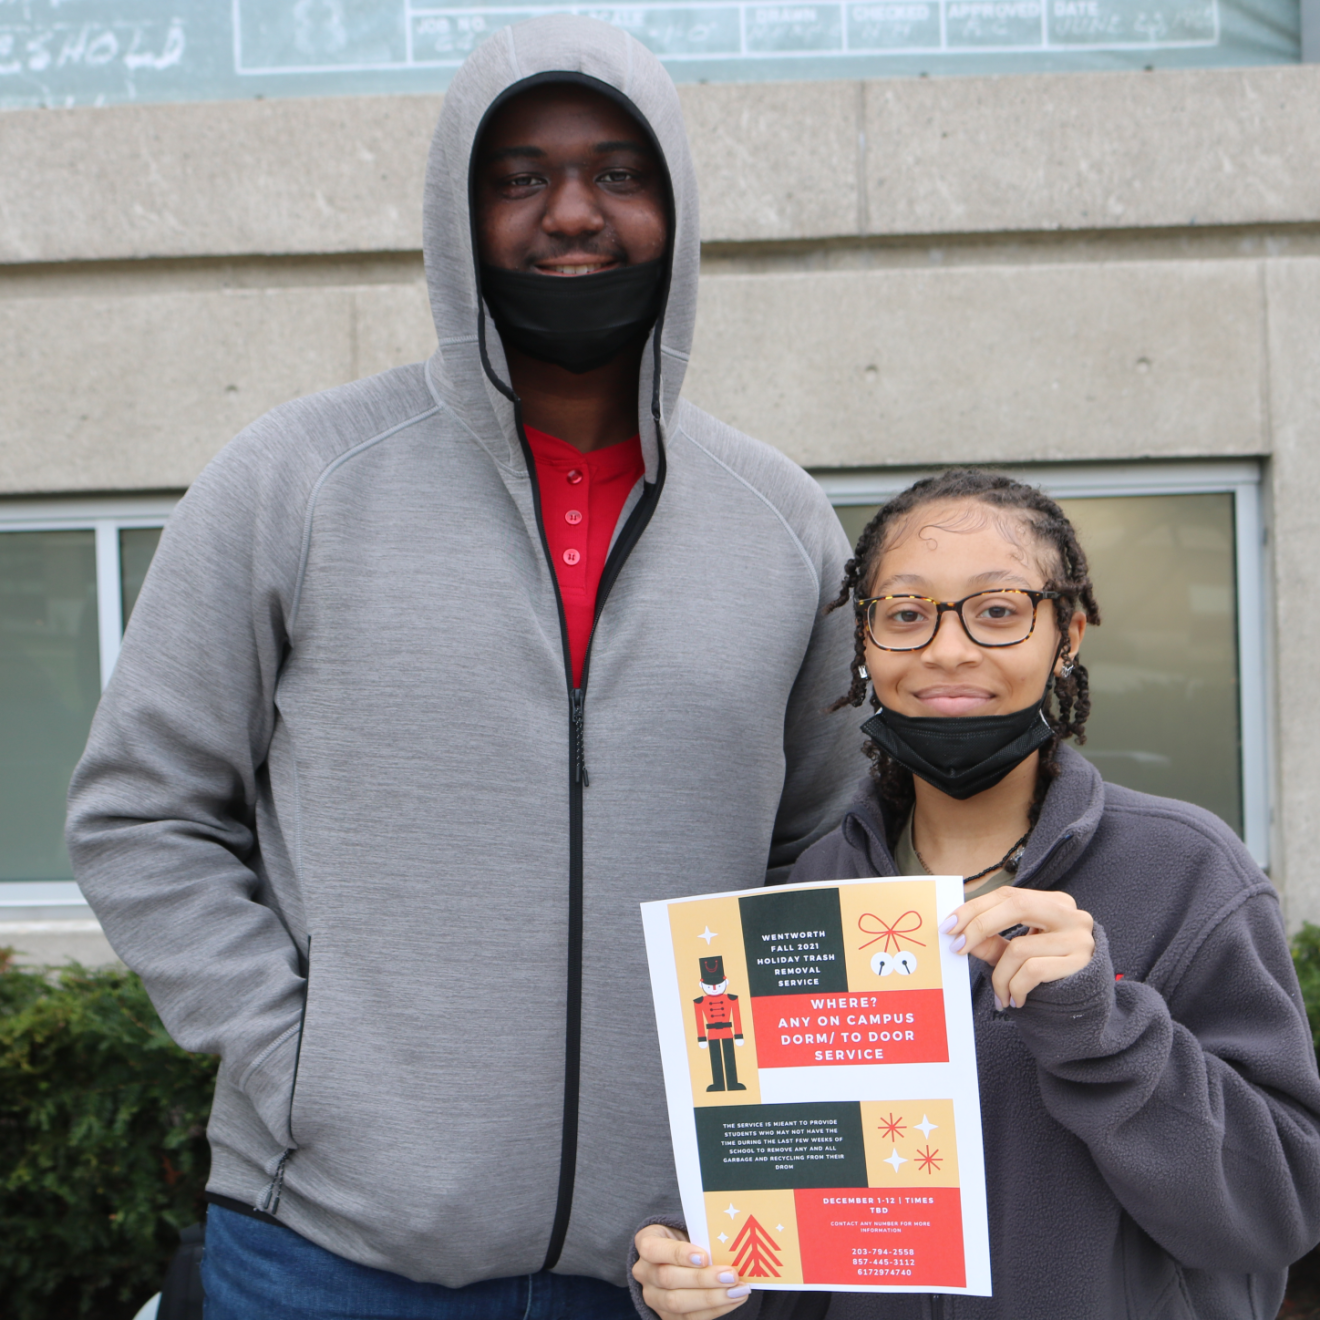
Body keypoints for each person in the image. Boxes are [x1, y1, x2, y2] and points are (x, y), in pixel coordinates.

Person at [65, 15, 858, 1318]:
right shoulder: (299, 481)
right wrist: (306, 1065)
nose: (571, 213)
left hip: (669, 1265)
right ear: (456, 212)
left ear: (678, 205)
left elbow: (822, 854)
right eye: (518, 177)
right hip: (331, 1247)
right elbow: (142, 810)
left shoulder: (779, 521)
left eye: (617, 170)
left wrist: (764, 1157)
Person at [633, 468, 1320, 1319]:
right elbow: (798, 1231)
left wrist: (1104, 1028)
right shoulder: (808, 896)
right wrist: (708, 1279)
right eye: (907, 613)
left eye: (998, 611)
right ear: (866, 642)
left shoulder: (1189, 873)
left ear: (1067, 635)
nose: (948, 649)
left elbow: (1279, 1208)